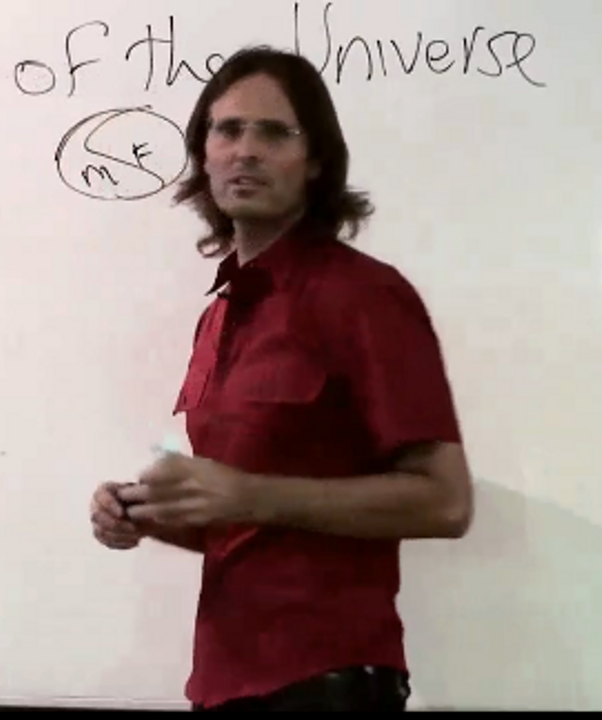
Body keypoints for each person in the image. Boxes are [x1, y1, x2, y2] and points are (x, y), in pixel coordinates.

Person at [88, 45, 473, 712]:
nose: (246, 151)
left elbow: (446, 502)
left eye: (275, 133)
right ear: (203, 153)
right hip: (224, 682)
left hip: (326, 681)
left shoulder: (364, 296)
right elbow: (238, 518)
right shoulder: (220, 314)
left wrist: (248, 494)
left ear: (316, 160)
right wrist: (148, 513)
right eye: (228, 130)